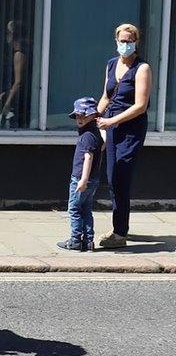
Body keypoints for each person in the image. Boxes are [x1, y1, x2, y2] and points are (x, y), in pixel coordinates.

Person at [95, 23, 152, 249]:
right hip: (110, 126)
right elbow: (106, 97)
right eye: (122, 40)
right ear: (116, 41)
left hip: (131, 129)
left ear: (136, 42)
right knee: (111, 176)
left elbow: (140, 105)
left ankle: (119, 233)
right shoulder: (111, 64)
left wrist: (112, 121)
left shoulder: (142, 68)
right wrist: (95, 118)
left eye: (129, 41)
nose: (125, 44)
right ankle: (120, 225)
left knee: (121, 175)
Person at [57, 98, 102, 252]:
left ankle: (75, 240)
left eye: (84, 115)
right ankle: (88, 241)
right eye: (77, 116)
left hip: (81, 179)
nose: (80, 119)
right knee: (86, 209)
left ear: (94, 116)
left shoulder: (87, 136)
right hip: (93, 179)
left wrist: (83, 180)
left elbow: (88, 157)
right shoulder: (95, 133)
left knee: (75, 209)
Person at [0, 20, 30, 129]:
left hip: (16, 106)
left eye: (9, 33)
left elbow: (18, 82)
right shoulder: (18, 54)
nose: (7, 36)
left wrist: (7, 104)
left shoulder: (19, 55)